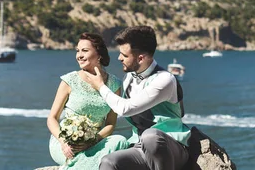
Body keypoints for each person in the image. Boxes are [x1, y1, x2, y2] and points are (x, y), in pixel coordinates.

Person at [82, 26, 191, 170]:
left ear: (141, 58)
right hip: (140, 146)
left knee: (150, 136)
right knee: (109, 161)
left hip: (172, 147)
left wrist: (101, 86)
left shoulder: (165, 80)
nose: (119, 58)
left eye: (124, 55)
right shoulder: (128, 78)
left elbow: (125, 108)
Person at [47, 33, 129, 168]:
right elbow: (52, 118)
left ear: (99, 54)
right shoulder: (69, 80)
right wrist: (63, 142)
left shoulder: (115, 84)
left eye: (84, 50)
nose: (79, 55)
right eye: (77, 51)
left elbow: (110, 124)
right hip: (66, 144)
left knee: (120, 141)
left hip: (94, 142)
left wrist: (93, 140)